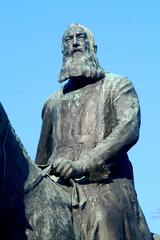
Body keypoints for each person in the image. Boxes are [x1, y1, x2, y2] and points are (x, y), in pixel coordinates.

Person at [35, 23, 152, 240]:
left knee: (102, 216)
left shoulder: (117, 85)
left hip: (105, 183)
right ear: (63, 50)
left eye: (81, 37)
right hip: (59, 185)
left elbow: (128, 129)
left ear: (94, 48)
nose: (75, 42)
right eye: (69, 39)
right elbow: (41, 158)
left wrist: (82, 165)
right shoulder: (52, 102)